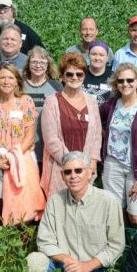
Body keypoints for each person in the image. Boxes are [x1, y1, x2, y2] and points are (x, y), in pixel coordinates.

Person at [25, 152, 124, 272]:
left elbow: (115, 246)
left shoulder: (108, 202)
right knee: (34, 260)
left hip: (95, 268)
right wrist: (69, 262)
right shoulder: (55, 201)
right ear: (62, 176)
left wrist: (85, 267)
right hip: (61, 266)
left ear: (89, 173)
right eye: (68, 172)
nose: (73, 176)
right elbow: (44, 241)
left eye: (78, 170)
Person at [0, 63, 44, 224]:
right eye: (2, 77)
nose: (6, 81)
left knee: (22, 208)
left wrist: (12, 157)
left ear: (17, 81)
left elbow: (30, 137)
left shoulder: (25, 101)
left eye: (11, 77)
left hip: (20, 159)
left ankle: (22, 244)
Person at [100, 62, 137, 227]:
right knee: (115, 212)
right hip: (113, 165)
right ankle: (121, 247)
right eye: (121, 81)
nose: (125, 84)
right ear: (115, 83)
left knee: (136, 217)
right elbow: (98, 121)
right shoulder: (111, 104)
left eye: (129, 80)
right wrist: (106, 137)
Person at [40, 53, 101, 197]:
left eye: (79, 74)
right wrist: (72, 165)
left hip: (85, 169)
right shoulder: (52, 102)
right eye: (70, 74)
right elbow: (51, 140)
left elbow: (97, 135)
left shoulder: (92, 101)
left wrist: (91, 162)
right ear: (62, 76)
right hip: (60, 168)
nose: (75, 77)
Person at [22, 46, 62, 167]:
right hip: (25, 147)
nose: (38, 65)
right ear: (28, 64)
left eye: (42, 62)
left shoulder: (56, 86)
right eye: (34, 62)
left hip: (48, 148)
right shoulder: (20, 86)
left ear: (48, 64)